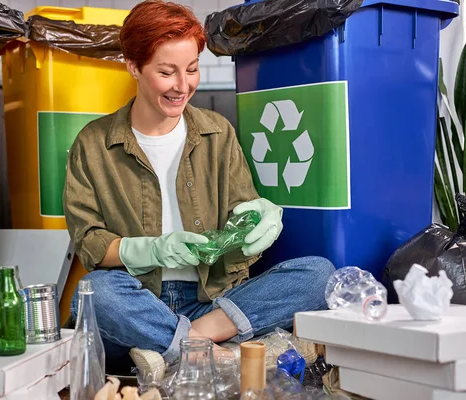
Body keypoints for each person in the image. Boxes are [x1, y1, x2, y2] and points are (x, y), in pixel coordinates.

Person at [64, 0, 335, 376]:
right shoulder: (93, 144)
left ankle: (175, 349)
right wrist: (154, 250)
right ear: (133, 66)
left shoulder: (217, 132)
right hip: (140, 303)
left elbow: (243, 209)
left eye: (191, 70)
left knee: (320, 274)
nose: (182, 85)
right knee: (95, 294)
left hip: (217, 302)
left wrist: (260, 215)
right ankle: (222, 355)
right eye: (167, 72)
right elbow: (89, 241)